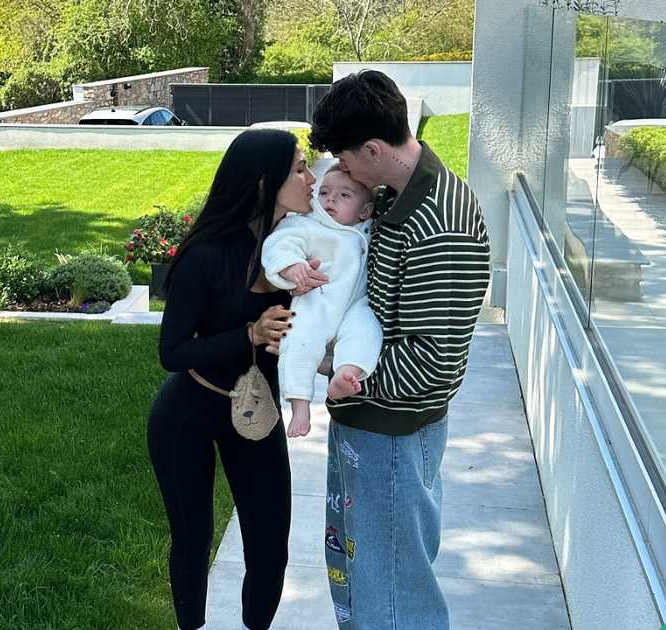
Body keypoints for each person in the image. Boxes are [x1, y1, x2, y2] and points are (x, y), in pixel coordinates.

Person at [306, 70, 492, 629]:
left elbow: (430, 360)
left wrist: (333, 363)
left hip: (393, 431)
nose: (340, 169)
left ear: (373, 148)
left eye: (344, 156)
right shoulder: (392, 194)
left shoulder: (442, 224)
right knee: (366, 576)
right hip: (369, 421)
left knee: (392, 589)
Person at [146, 128, 319, 630]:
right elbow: (173, 352)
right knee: (193, 538)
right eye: (300, 168)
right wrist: (249, 333)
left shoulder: (297, 246)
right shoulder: (206, 254)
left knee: (270, 543)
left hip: (256, 411)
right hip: (190, 411)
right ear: (264, 183)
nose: (311, 179)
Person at [261, 164, 383, 438]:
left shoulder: (367, 229)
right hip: (318, 301)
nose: (330, 199)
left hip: (355, 305)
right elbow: (280, 244)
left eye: (344, 196)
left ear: (364, 211)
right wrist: (292, 267)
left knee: (367, 331)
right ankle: (300, 405)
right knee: (299, 341)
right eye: (325, 192)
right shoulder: (308, 224)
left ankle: (345, 373)